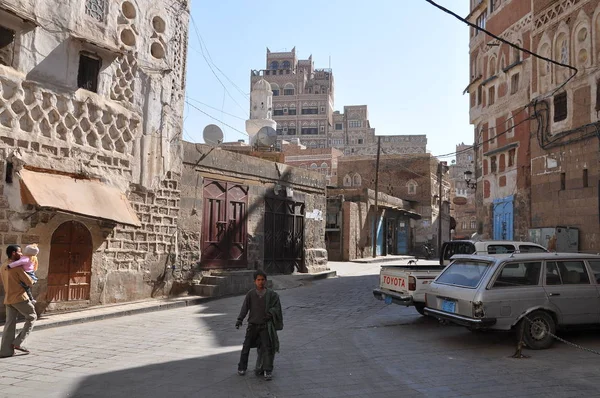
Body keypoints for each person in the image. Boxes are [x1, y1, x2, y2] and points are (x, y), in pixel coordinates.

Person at [236, 270, 283, 381]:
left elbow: (276, 307)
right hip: (252, 326)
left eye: (262, 280)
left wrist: (270, 313)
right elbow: (245, 308)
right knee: (246, 347)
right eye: (258, 280)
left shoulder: (271, 295)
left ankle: (267, 370)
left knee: (267, 348)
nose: (261, 282)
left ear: (265, 281)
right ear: (254, 281)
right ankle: (242, 367)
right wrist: (239, 319)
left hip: (265, 326)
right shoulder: (251, 294)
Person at [0, 245, 37, 358]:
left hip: (9, 298)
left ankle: (5, 351)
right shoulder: (17, 267)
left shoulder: (4, 265)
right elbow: (29, 281)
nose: (21, 254)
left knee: (9, 324)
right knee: (32, 317)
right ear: (13, 253)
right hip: (20, 297)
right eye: (19, 252)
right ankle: (18, 343)